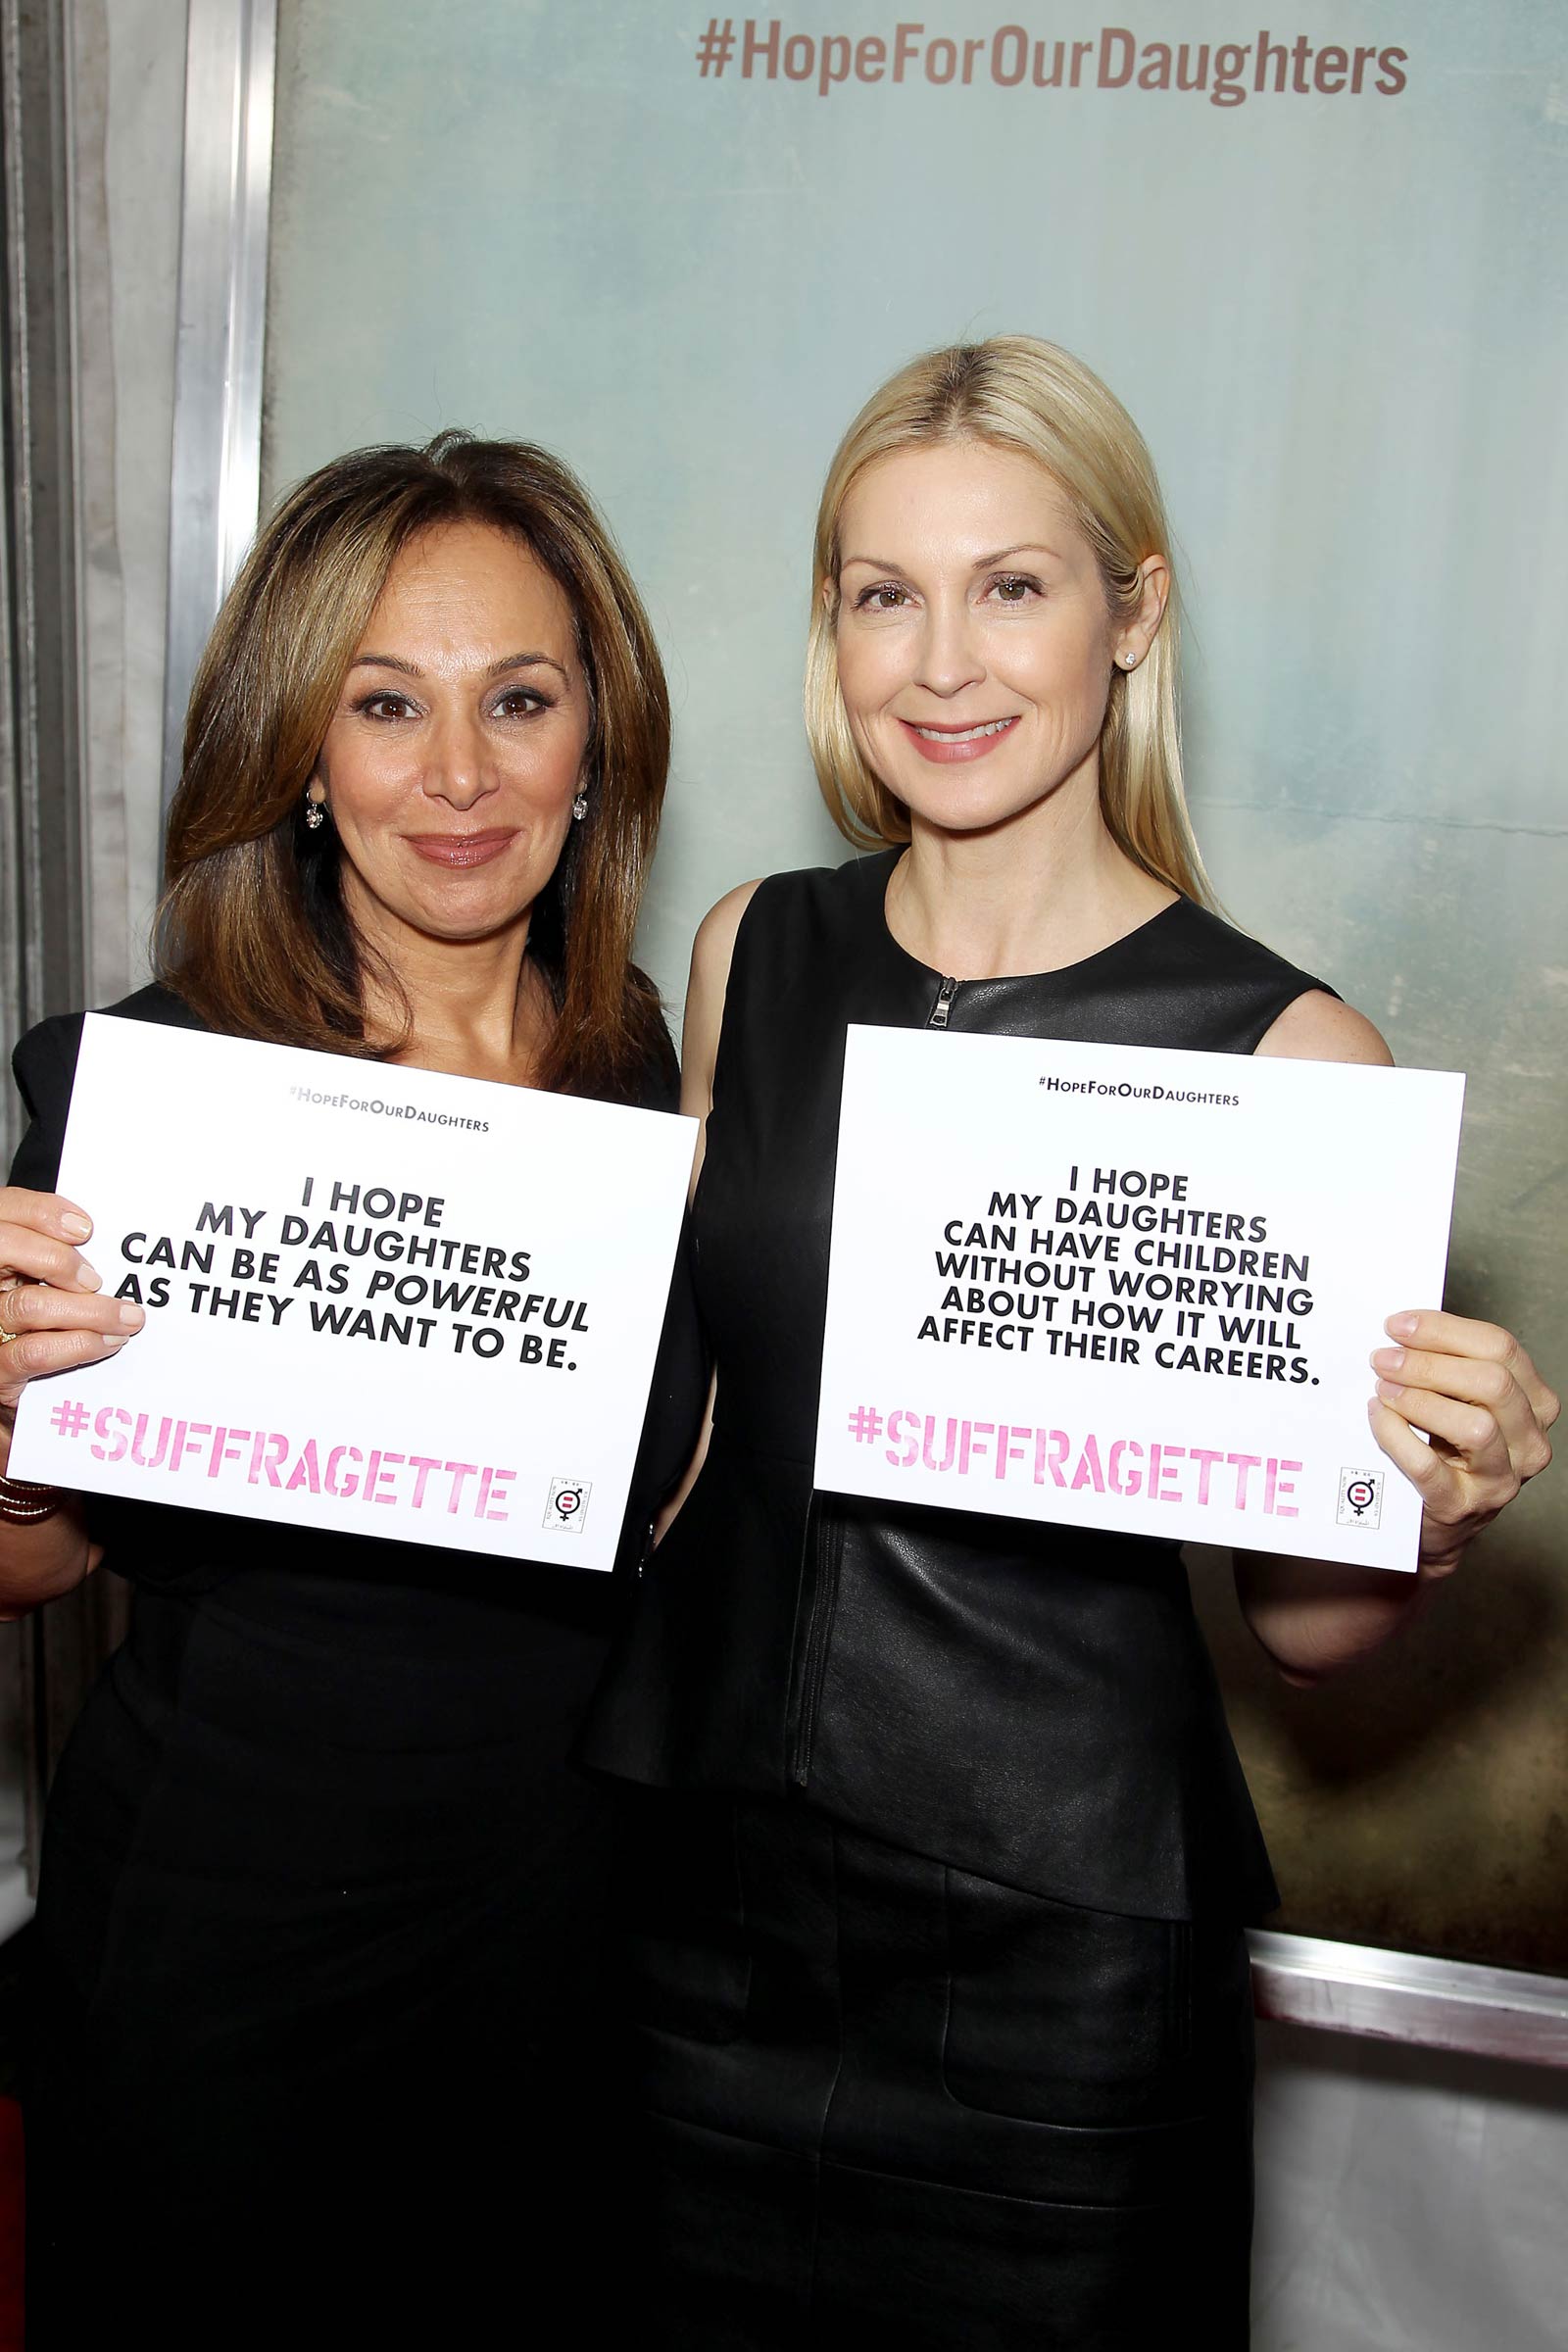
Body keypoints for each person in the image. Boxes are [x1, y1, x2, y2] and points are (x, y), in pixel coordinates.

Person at [581, 338, 1558, 2346]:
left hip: (1062, 1964)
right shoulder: (749, 946)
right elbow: (673, 1441)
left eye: (1008, 587)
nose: (939, 661)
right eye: (881, 593)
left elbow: (1300, 1629)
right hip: (691, 1902)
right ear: (828, 627)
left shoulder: (1290, 1052)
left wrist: (1422, 1511)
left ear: (1129, 612)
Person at [0, 435, 702, 2344]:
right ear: (300, 755)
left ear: (594, 740)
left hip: (571, 1958)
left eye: (518, 701)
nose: (458, 776)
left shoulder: (662, 1087)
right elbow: (38, 1567)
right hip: (220, 1953)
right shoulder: (160, 1093)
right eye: (384, 705)